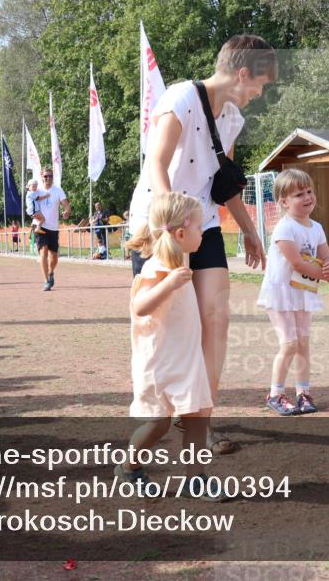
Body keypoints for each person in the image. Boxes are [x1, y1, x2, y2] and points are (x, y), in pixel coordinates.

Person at [127, 34, 275, 454]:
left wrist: (248, 229)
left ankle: (200, 419)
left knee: (216, 318)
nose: (258, 94)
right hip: (160, 222)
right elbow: (157, 161)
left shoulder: (232, 119)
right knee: (167, 321)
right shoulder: (180, 98)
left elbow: (220, 181)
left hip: (204, 224)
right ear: (242, 73)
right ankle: (155, 408)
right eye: (259, 84)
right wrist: (169, 223)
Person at [119, 192, 225, 500]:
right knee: (158, 423)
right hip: (160, 363)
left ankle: (197, 478)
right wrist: (168, 284)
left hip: (186, 358)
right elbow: (139, 307)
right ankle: (129, 467)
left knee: (197, 414)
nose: (203, 232)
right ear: (180, 234)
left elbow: (173, 223)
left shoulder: (182, 258)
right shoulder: (155, 269)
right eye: (198, 228)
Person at [257, 170, 329, 415]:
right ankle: (275, 395)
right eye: (298, 194)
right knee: (290, 344)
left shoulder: (317, 227)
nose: (307, 197)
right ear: (284, 202)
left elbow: (326, 255)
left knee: (303, 344)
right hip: (281, 294)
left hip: (303, 293)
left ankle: (303, 393)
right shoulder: (284, 228)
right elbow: (297, 264)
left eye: (309, 191)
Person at [35, 167, 71, 291]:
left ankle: (51, 273)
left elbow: (66, 205)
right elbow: (29, 205)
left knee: (54, 257)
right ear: (42, 176)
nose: (48, 178)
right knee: (43, 251)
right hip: (40, 226)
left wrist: (67, 211)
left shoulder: (58, 190)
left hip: (53, 228)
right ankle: (46, 281)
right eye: (46, 176)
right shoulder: (37, 190)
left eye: (50, 176)